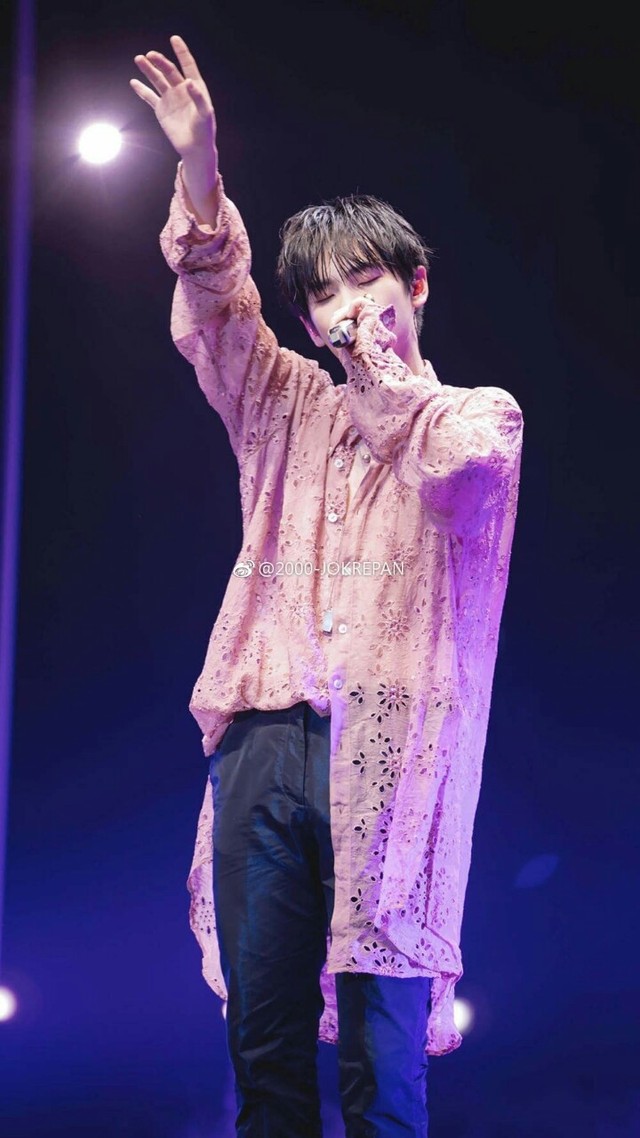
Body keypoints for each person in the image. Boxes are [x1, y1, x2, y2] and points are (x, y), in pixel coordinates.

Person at [131, 35, 523, 1138]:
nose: (346, 308)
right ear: (304, 323)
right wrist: (199, 165)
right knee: (264, 1049)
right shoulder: (284, 404)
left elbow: (455, 478)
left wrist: (379, 366)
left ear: (416, 283)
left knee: (381, 1067)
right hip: (265, 739)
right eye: (324, 297)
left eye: (366, 281)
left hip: (394, 756)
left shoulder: (476, 418)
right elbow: (218, 305)